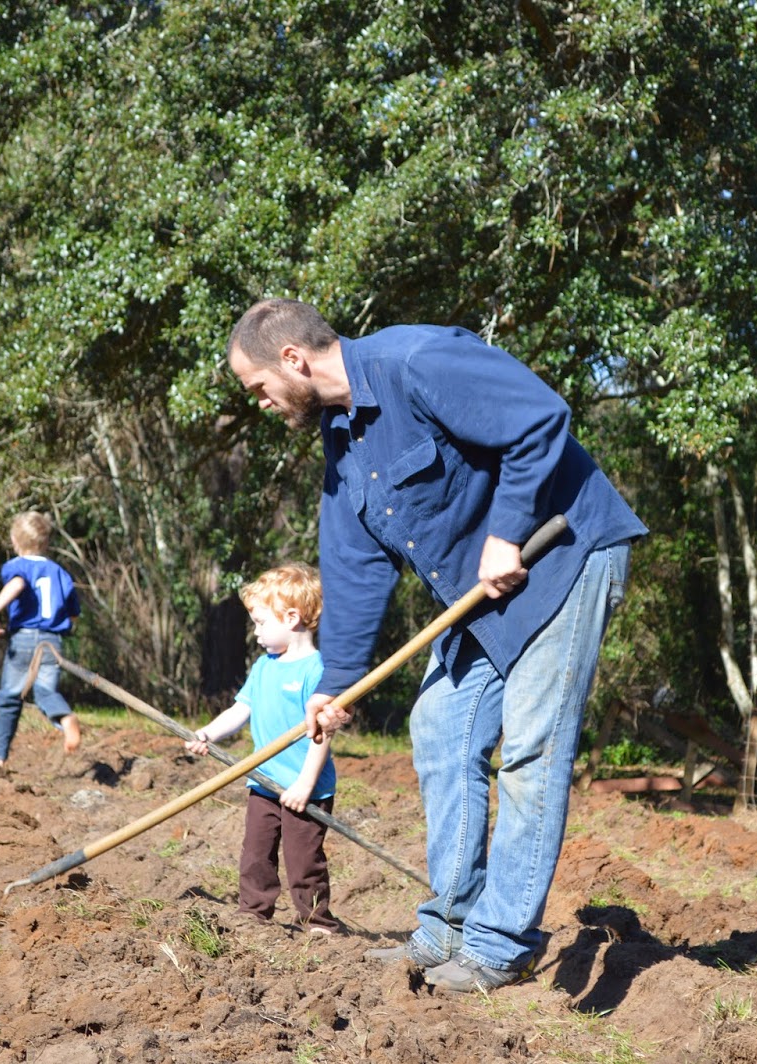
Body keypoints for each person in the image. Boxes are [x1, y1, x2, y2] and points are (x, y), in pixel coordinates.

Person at [226, 298, 645, 993]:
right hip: (481, 594)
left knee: (532, 750)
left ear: (293, 360)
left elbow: (540, 418)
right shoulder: (343, 441)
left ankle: (501, 946)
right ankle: (448, 926)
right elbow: (355, 568)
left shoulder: (416, 360)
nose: (262, 402)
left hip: (560, 559)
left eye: (259, 387)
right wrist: (337, 683)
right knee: (441, 726)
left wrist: (506, 532)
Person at [184, 563, 339, 933]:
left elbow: (323, 734)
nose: (255, 632)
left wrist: (304, 785)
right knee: (255, 854)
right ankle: (253, 914)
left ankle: (317, 922)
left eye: (261, 623)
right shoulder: (264, 667)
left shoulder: (317, 670)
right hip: (264, 781)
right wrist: (208, 734)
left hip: (305, 788)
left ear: (292, 618)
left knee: (303, 861)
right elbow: (241, 710)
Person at [0, 510, 81, 765]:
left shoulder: (18, 566)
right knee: (45, 691)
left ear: (15, 541)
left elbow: (17, 585)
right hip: (52, 641)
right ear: (46, 542)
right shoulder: (60, 572)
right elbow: (73, 615)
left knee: (9, 697)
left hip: (25, 638)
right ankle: (64, 718)